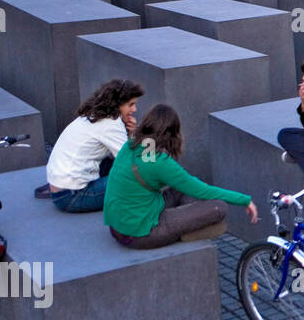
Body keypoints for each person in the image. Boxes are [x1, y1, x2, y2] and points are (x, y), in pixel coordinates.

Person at [105, 104, 257, 250]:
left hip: (118, 226)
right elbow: (204, 191)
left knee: (183, 188)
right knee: (219, 208)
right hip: (140, 234)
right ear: (172, 132)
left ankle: (185, 222)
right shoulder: (160, 163)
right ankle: (184, 231)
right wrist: (244, 200)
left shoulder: (132, 144)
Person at [44, 79, 144, 212]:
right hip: (73, 197)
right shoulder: (111, 123)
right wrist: (135, 134)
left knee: (112, 162)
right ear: (118, 104)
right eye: (131, 104)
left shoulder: (93, 115)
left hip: (60, 189)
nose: (134, 109)